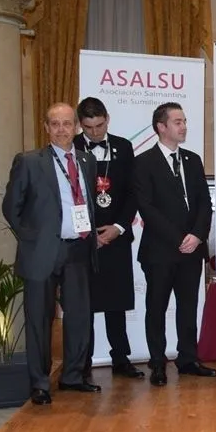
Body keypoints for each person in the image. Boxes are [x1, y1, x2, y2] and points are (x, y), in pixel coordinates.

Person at [2, 102, 99, 405]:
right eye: (54, 124)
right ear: (46, 128)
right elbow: (11, 208)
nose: (61, 129)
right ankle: (40, 383)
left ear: (76, 127)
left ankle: (72, 376)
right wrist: (33, 239)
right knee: (39, 320)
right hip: (42, 253)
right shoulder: (29, 161)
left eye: (67, 123)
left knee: (80, 317)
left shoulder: (87, 160)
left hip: (79, 250)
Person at [133, 102, 216, 386]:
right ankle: (157, 363)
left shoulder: (192, 160)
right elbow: (147, 208)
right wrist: (179, 238)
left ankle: (188, 358)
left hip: (192, 250)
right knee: (156, 307)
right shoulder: (143, 162)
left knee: (188, 306)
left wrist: (196, 235)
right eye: (177, 122)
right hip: (160, 251)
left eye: (184, 121)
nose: (183, 127)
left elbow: (205, 204)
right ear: (161, 127)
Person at [73, 97, 143, 380]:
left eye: (99, 126)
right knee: (84, 302)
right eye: (88, 128)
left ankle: (121, 358)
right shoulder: (72, 148)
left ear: (107, 119)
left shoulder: (124, 147)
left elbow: (133, 192)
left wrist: (118, 226)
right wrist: (88, 232)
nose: (94, 133)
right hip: (82, 238)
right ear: (80, 125)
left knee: (115, 300)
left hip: (115, 235)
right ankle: (83, 361)